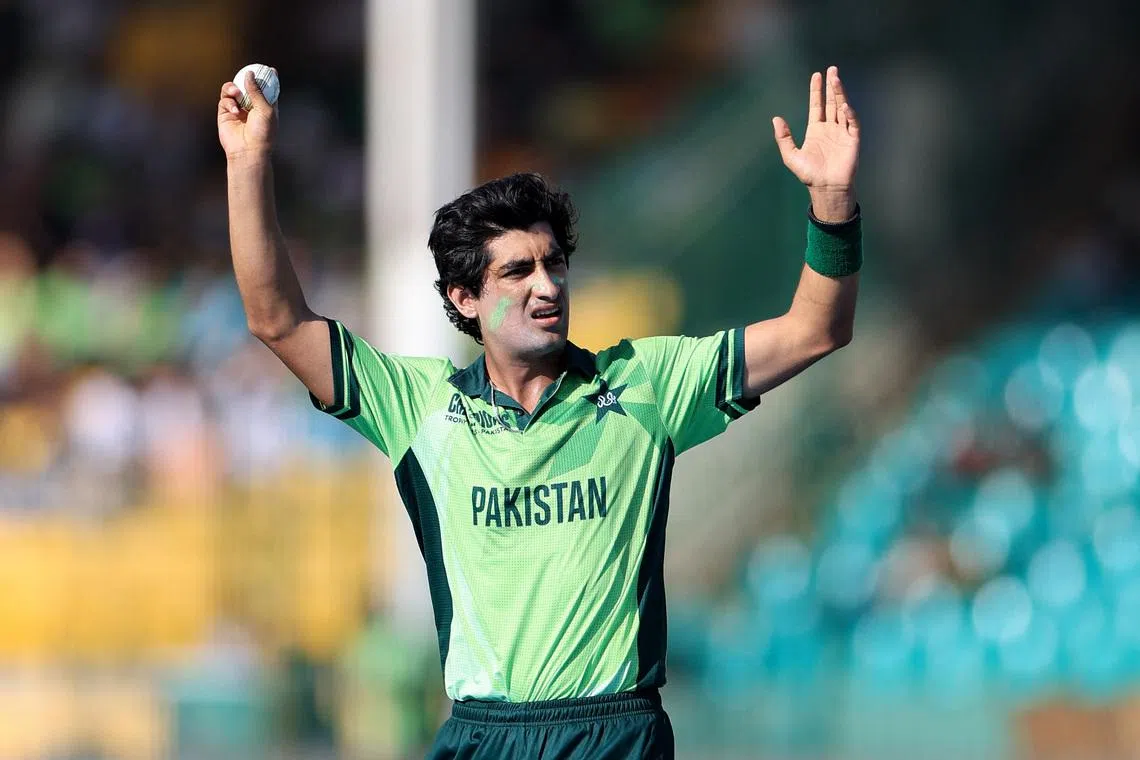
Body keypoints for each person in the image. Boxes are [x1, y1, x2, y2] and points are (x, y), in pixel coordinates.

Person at [217, 64, 861, 760]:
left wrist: (831, 204)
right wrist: (249, 164)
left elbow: (814, 330)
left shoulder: (645, 385)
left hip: (613, 733)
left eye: (554, 264)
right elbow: (277, 320)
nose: (547, 286)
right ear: (466, 298)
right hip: (482, 736)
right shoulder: (421, 408)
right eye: (517, 271)